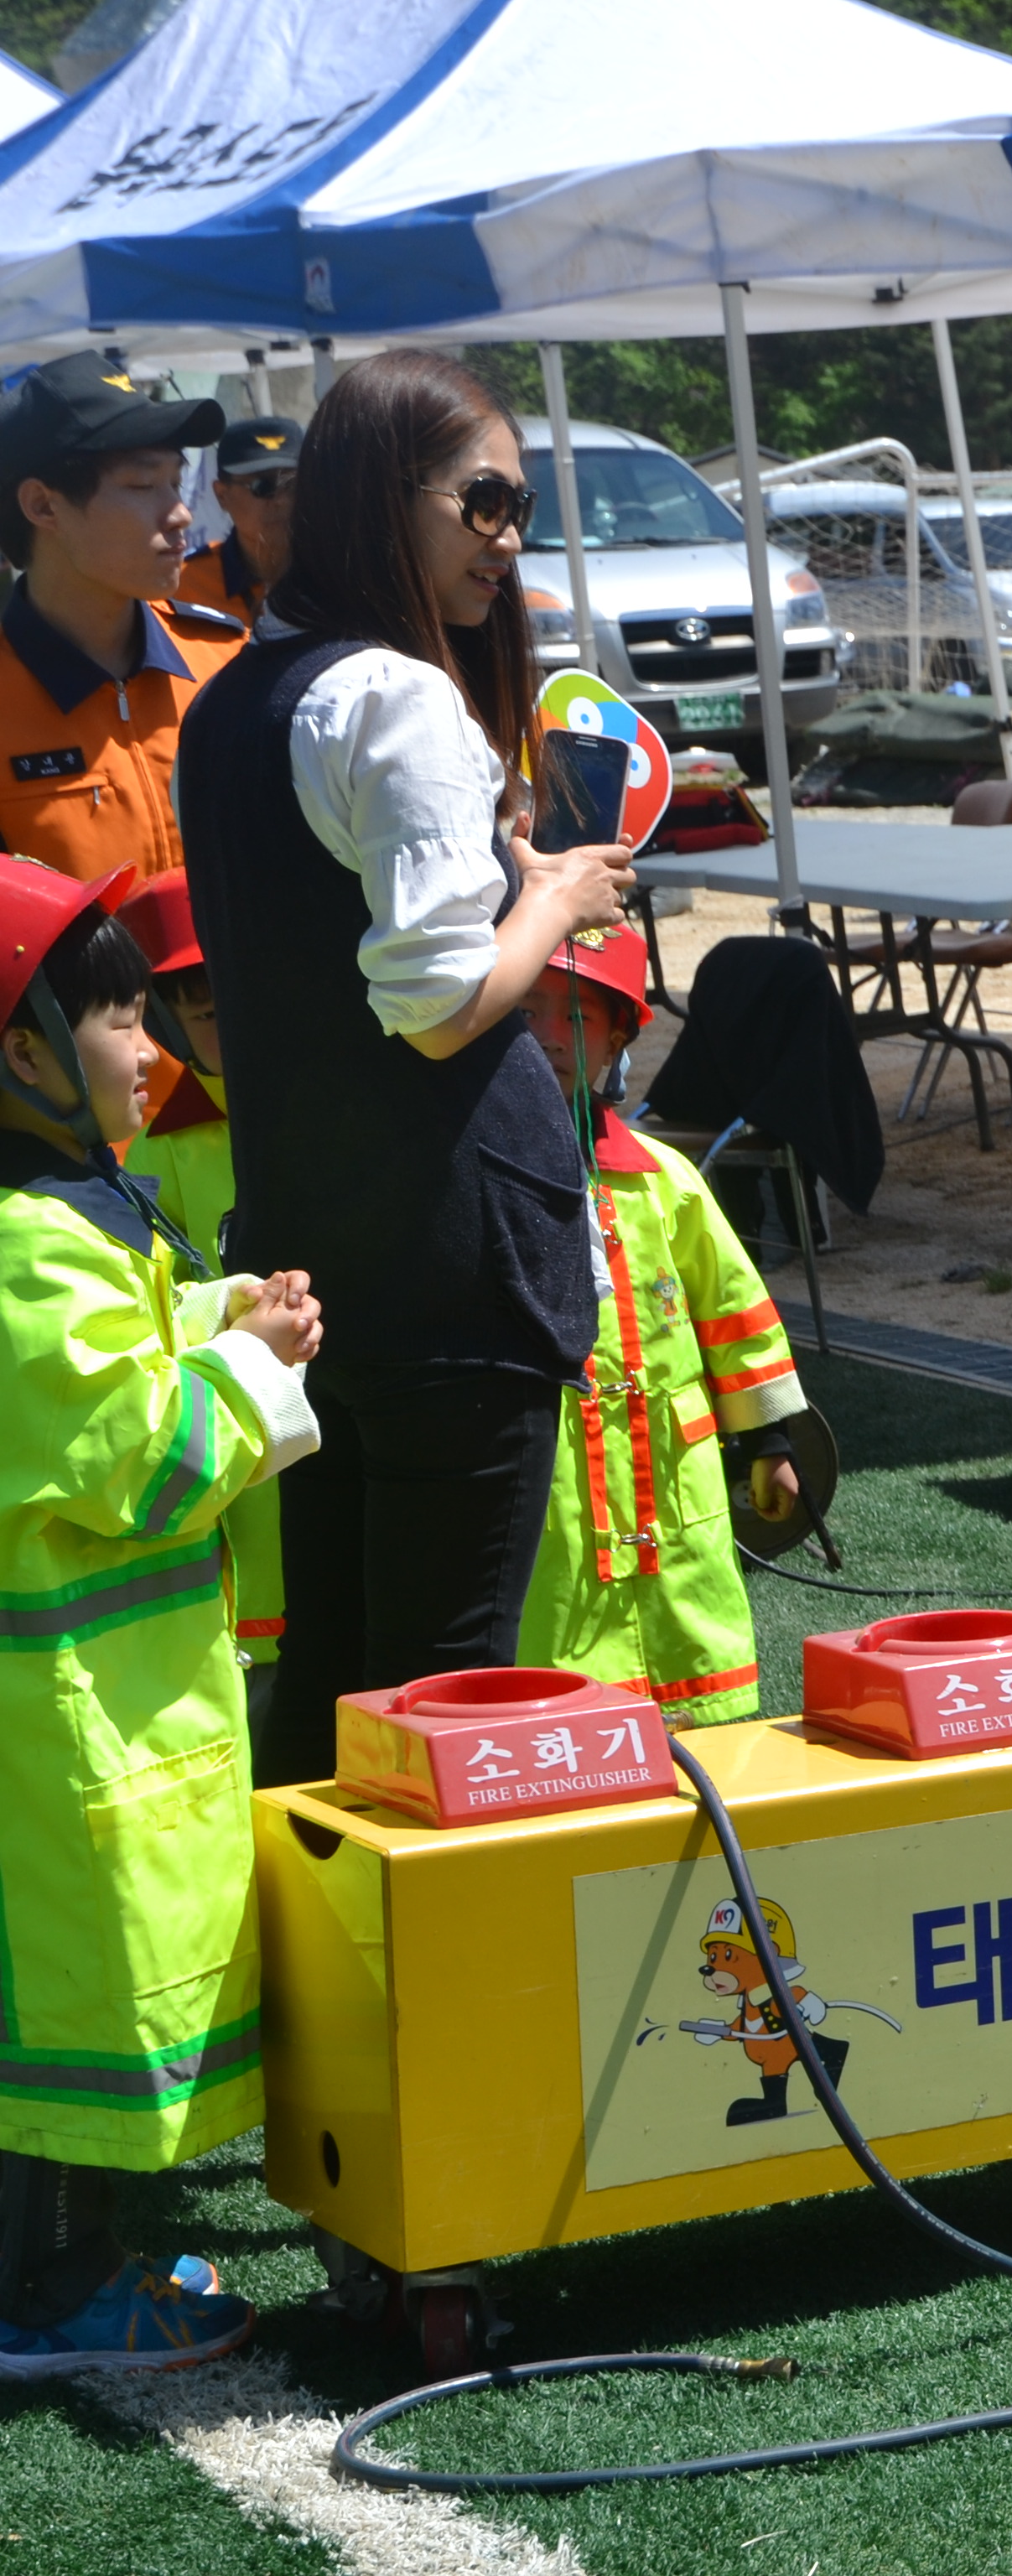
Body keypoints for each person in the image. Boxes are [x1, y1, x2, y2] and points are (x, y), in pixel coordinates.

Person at [179, 351, 634, 1788]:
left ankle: (293, 1944)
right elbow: (438, 1008)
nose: (509, 537)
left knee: (331, 1674)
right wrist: (560, 900)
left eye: (522, 506)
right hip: (452, 1258)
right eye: (484, 501)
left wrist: (516, 881)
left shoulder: (231, 698)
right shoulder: (395, 696)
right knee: (444, 1691)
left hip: (313, 1252)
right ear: (386, 496)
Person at [0, 858, 322, 2376]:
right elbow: (146, 1461)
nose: (154, 1051)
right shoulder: (24, 1246)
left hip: (90, 1715)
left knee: (67, 2007)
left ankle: (63, 2265)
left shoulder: (59, 1221)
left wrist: (218, 1316)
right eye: (121, 1021)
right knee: (56, 2025)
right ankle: (47, 2289)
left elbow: (107, 1371)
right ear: (24, 1054)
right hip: (56, 1731)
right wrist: (254, 1366)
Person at [511, 920, 809, 1724]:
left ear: (616, 1041)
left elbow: (735, 1315)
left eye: (578, 1017)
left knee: (699, 1694)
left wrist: (771, 1442)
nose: (551, 1035)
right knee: (563, 1700)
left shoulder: (665, 1181)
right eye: (528, 1010)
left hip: (676, 1488)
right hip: (558, 1490)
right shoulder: (481, 1175)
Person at [112, 872, 283, 1685]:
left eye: (238, 995)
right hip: (246, 1418)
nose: (226, 1020)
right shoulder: (162, 1147)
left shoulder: (336, 1103)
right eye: (201, 1010)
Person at [0, 351, 244, 888]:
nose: (180, 513)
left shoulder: (232, 664)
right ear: (43, 506)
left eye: (176, 482)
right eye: (142, 486)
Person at [174, 413, 298, 628]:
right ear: (222, 495)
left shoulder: (339, 576)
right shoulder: (181, 586)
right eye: (263, 486)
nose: (281, 500)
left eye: (292, 484)